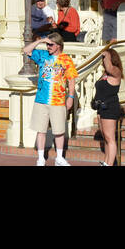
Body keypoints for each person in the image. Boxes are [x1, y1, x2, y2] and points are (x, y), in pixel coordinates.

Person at [26, 34, 78, 166]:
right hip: (41, 100)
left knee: (59, 131)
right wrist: (41, 40)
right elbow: (26, 50)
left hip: (58, 100)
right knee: (41, 129)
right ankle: (41, 158)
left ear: (58, 46)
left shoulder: (66, 59)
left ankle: (59, 158)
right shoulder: (43, 55)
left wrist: (70, 97)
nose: (48, 47)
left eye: (51, 44)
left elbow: (71, 80)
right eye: (47, 44)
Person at [94, 47, 124, 166]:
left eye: (105, 58)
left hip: (110, 107)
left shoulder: (116, 71)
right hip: (101, 107)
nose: (103, 60)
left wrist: (106, 53)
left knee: (110, 138)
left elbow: (109, 67)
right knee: (105, 136)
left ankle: (110, 164)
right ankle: (107, 161)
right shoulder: (105, 73)